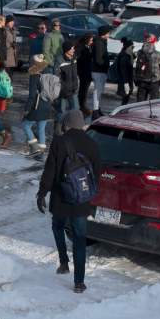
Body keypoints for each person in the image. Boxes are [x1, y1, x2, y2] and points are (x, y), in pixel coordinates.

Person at [37, 110, 102, 294]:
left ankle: (64, 262)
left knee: (57, 225)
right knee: (80, 238)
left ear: (67, 124)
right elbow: (96, 174)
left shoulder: (59, 142)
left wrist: (42, 192)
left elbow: (50, 170)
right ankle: (79, 282)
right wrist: (89, 194)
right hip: (81, 199)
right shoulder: (92, 144)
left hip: (60, 196)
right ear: (81, 124)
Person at [21, 54, 54, 153]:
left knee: (26, 125)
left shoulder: (35, 75)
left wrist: (27, 109)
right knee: (41, 128)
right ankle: (42, 148)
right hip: (47, 104)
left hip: (37, 105)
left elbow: (31, 95)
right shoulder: (48, 73)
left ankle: (34, 147)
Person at [56, 42, 80, 123]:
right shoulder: (59, 60)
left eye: (73, 48)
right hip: (63, 91)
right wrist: (62, 88)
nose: (73, 50)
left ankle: (70, 127)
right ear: (66, 50)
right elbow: (56, 76)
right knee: (61, 111)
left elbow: (75, 74)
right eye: (71, 48)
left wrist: (76, 85)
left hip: (73, 89)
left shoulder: (74, 59)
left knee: (75, 109)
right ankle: (58, 129)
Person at [89, 26, 110, 116]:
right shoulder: (99, 43)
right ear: (103, 34)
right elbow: (98, 59)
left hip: (101, 70)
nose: (109, 34)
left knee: (99, 91)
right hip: (98, 71)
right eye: (108, 33)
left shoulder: (102, 42)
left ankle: (98, 108)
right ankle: (95, 110)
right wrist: (105, 64)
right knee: (97, 91)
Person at [135, 35, 160, 102]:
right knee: (154, 102)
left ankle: (139, 111)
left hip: (142, 79)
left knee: (140, 101)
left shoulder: (140, 53)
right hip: (154, 79)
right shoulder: (157, 54)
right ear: (154, 42)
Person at [115, 38, 136, 105]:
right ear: (128, 47)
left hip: (126, 80)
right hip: (125, 80)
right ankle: (121, 110)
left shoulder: (127, 55)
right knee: (125, 97)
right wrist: (126, 82)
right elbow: (124, 71)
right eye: (132, 47)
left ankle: (122, 110)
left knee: (126, 97)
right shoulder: (125, 57)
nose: (133, 48)